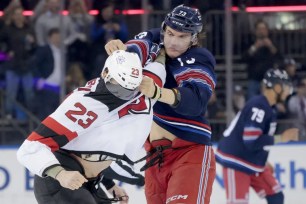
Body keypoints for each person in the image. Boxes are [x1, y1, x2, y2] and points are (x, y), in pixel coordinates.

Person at [17, 49, 167, 204]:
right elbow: (30, 147)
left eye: (130, 89)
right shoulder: (82, 104)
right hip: (60, 180)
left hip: (88, 181)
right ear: (106, 73)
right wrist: (60, 173)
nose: (123, 95)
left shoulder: (144, 87)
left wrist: (109, 184)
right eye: (120, 87)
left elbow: (96, 147)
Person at [105, 4, 217, 204]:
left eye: (182, 37)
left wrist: (158, 92)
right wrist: (121, 52)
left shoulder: (200, 58)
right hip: (154, 157)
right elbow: (137, 49)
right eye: (171, 33)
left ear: (194, 38)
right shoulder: (154, 37)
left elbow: (197, 101)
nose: (173, 42)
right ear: (164, 28)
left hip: (189, 151)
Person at [216, 68, 299, 204]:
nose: (287, 90)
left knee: (276, 196)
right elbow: (251, 140)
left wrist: (261, 159)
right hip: (236, 161)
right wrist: (281, 138)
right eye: (285, 86)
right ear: (277, 87)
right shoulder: (259, 106)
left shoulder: (268, 107)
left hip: (252, 161)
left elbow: (255, 139)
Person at [244, 19, 281, 100]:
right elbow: (244, 57)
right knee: (252, 103)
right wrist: (255, 47)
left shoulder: (273, 42)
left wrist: (270, 46)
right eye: (259, 29)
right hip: (254, 79)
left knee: (269, 103)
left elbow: (280, 57)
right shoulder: (250, 42)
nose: (262, 31)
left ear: (267, 30)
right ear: (255, 31)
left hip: (269, 80)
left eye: (264, 29)